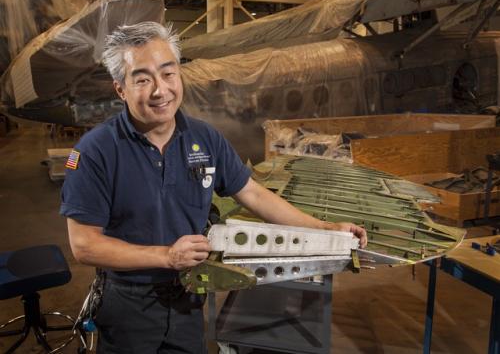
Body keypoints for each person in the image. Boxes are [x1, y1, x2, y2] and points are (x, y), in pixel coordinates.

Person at [60, 21, 367, 354]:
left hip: (188, 295)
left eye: (168, 73)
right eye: (142, 79)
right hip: (129, 303)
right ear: (121, 88)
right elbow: (84, 245)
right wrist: (166, 255)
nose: (160, 90)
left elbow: (253, 194)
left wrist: (326, 228)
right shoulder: (95, 152)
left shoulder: (204, 138)